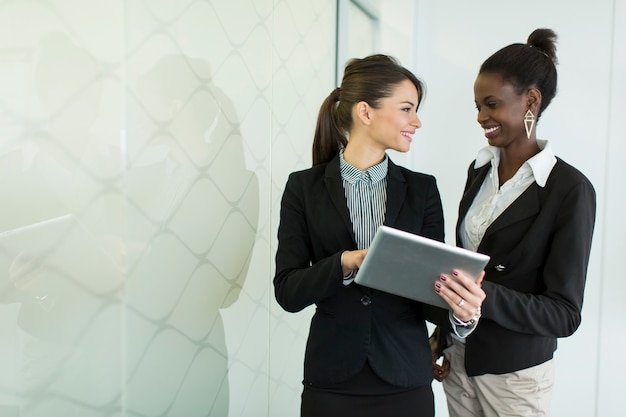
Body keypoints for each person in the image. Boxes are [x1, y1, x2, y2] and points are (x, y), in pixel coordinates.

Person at [273, 54, 486, 417]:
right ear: (366, 112)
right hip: (331, 380)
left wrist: (461, 312)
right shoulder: (303, 188)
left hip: (406, 377)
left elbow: (427, 297)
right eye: (406, 109)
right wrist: (346, 262)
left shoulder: (422, 191)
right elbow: (288, 291)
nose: (416, 122)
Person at [431, 28, 597, 417]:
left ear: (531, 101)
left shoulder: (569, 190)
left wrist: (482, 297)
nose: (480, 117)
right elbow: (465, 261)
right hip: (458, 363)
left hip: (516, 378)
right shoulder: (479, 170)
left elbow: (564, 313)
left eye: (491, 104)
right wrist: (442, 336)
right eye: (477, 106)